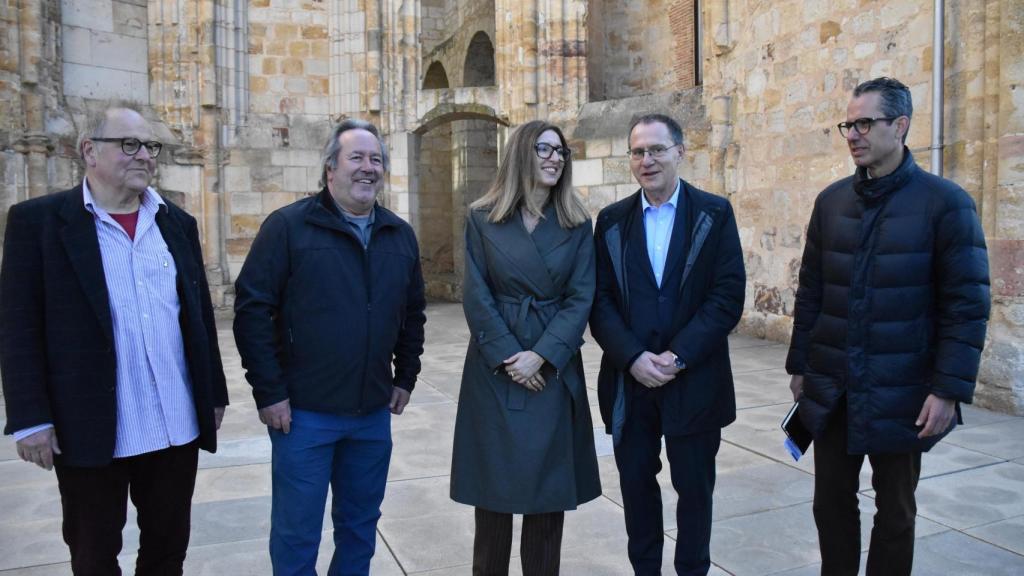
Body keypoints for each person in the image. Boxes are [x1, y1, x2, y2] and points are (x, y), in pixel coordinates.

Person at [0, 106, 229, 574]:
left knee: (167, 552)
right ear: (90, 151)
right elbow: (17, 325)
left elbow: (199, 319)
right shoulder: (37, 223)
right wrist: (29, 418)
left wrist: (214, 394)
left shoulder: (177, 223)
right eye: (130, 145)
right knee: (93, 554)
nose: (144, 155)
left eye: (150, 146)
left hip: (174, 424)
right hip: (91, 426)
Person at [786, 77, 990, 576]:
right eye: (847, 125)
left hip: (904, 390)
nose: (853, 134)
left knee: (895, 511)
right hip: (833, 386)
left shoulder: (946, 203)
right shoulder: (831, 201)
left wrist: (947, 390)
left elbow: (966, 306)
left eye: (864, 123)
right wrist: (800, 366)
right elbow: (811, 290)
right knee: (829, 503)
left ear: (899, 126)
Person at [233, 118, 427, 575]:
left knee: (360, 527)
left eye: (375, 159)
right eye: (356, 158)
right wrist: (269, 392)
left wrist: (406, 376)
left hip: (371, 416)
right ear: (330, 170)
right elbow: (252, 311)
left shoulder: (398, 234)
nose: (368, 168)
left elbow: (413, 313)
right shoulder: (288, 227)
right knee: (297, 531)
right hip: (304, 416)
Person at [590, 114, 745, 575]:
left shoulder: (715, 214)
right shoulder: (612, 221)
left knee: (695, 492)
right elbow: (599, 301)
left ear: (680, 151)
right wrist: (633, 356)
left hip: (694, 382)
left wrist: (678, 357)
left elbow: (727, 295)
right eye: (638, 152)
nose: (647, 160)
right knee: (637, 491)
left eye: (657, 149)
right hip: (630, 384)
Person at [450, 120, 601, 575]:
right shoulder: (482, 217)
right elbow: (475, 294)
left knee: (546, 494)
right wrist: (509, 356)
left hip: (552, 370)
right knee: (493, 497)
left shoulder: (576, 223)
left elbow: (581, 297)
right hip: (494, 370)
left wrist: (544, 354)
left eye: (561, 151)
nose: (555, 158)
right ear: (521, 153)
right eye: (545, 149)